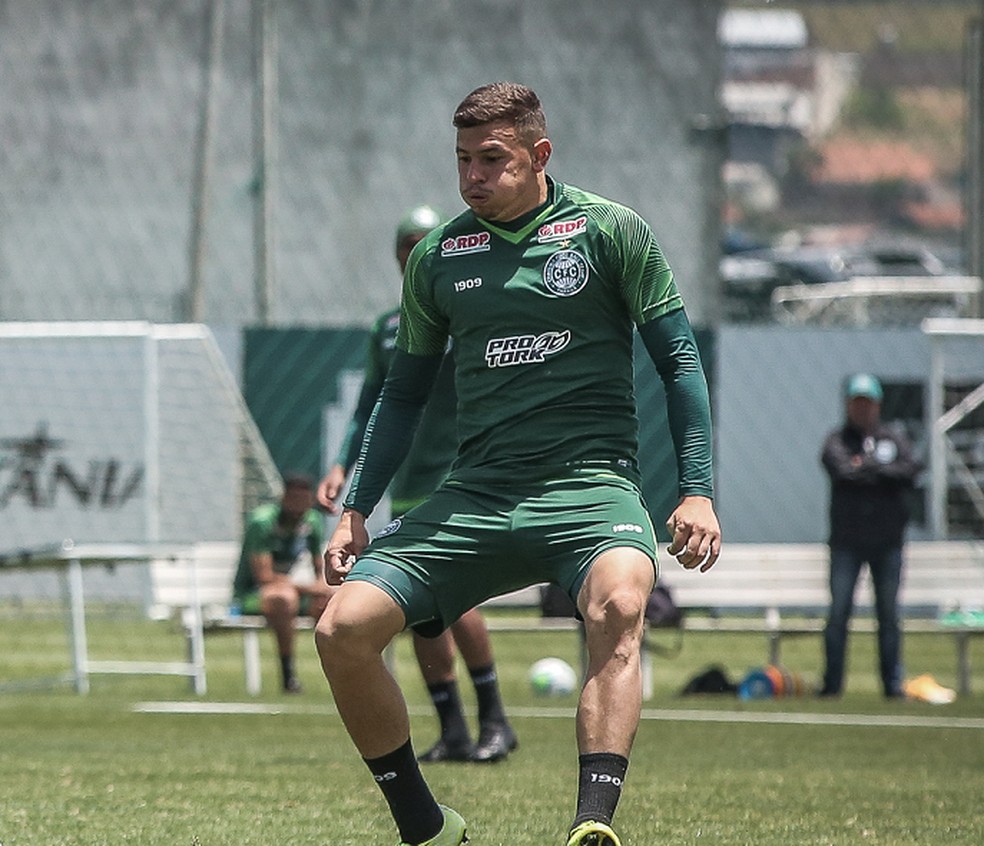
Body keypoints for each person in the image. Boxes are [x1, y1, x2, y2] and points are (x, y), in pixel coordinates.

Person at [315, 82, 721, 846]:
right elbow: (401, 396)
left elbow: (680, 362)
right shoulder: (438, 258)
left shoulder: (610, 232)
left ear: (539, 155)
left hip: (590, 490)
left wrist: (696, 490)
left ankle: (592, 826)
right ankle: (427, 829)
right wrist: (355, 509)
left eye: (491, 159)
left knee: (621, 604)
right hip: (475, 497)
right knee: (341, 629)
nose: (472, 176)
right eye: (462, 159)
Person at [318, 204, 517, 764]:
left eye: (425, 240)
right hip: (408, 482)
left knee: (458, 603)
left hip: (461, 475)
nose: (416, 251)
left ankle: (496, 719)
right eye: (408, 243)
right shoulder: (387, 328)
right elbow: (371, 408)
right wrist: (342, 466)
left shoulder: (474, 311)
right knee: (423, 613)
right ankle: (454, 730)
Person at [819, 373, 922, 699]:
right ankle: (832, 685)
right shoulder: (836, 440)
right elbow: (841, 472)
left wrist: (867, 465)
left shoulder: (894, 438)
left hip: (888, 542)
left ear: (877, 405)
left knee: (889, 617)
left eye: (868, 403)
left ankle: (892, 685)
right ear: (849, 405)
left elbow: (909, 471)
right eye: (856, 403)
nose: (862, 409)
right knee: (838, 615)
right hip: (847, 542)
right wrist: (877, 469)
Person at [231, 473, 331, 693]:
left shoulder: (312, 521)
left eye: (304, 502)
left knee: (332, 601)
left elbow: (319, 569)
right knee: (283, 598)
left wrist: (323, 588)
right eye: (293, 501)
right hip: (254, 594)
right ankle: (288, 676)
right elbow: (264, 577)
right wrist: (309, 587)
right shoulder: (263, 522)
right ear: (284, 498)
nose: (298, 508)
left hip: (298, 591)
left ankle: (341, 675)